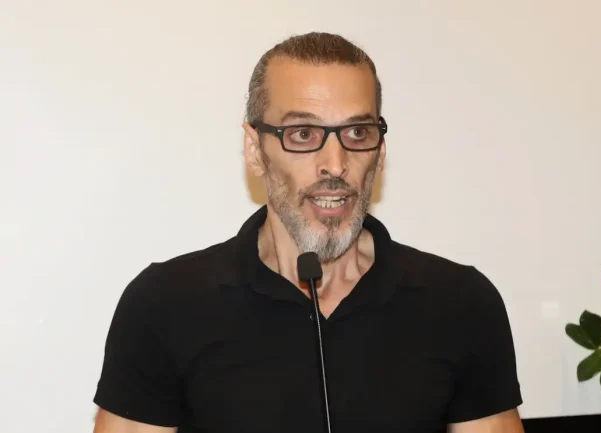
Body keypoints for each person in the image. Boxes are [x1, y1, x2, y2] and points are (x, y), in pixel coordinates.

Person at [92, 32, 524, 433]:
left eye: (358, 132)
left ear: (380, 150)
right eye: (303, 134)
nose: (335, 164)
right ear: (254, 149)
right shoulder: (164, 304)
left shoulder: (461, 303)